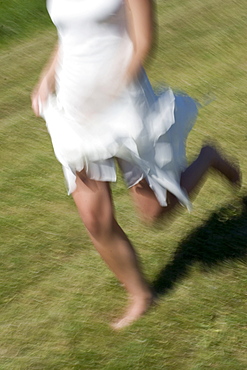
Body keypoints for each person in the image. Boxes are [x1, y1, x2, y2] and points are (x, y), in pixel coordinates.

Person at [31, 0, 240, 329]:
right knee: (94, 218)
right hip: (74, 105)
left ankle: (208, 157)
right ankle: (141, 295)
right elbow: (69, 33)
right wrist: (46, 79)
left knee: (154, 211)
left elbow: (144, 42)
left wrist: (110, 93)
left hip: (123, 99)